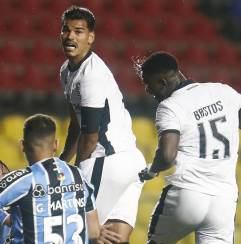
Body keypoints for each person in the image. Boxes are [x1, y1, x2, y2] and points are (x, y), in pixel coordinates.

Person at [135, 51, 241, 244]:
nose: (148, 91)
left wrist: (152, 170)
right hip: (223, 202)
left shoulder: (170, 106)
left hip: (186, 194)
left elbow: (167, 156)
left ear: (163, 82)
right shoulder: (222, 91)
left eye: (148, 85)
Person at [59, 6, 146, 243]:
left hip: (106, 161)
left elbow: (90, 134)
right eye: (66, 30)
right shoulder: (66, 71)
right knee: (116, 238)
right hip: (131, 163)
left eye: (78, 31)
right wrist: (61, 162)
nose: (70, 36)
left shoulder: (91, 74)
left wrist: (76, 172)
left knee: (79, 233)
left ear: (91, 37)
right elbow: (75, 125)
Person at [0, 114, 101, 243]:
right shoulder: (78, 176)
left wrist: (5, 218)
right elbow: (94, 232)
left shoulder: (23, 180)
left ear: (22, 146)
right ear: (56, 144)